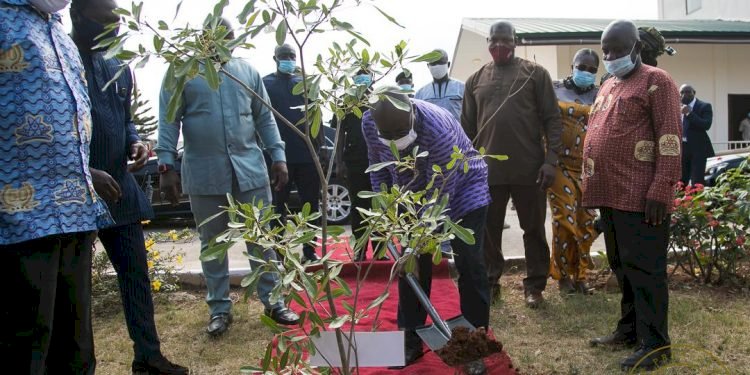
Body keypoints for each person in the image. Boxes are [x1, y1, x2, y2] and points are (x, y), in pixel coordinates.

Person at [156, 18, 299, 336]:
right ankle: (219, 309)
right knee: (213, 243)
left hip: (249, 169)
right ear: (203, 38)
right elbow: (169, 119)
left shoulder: (246, 71)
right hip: (205, 172)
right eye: (218, 37)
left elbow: (264, 116)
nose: (226, 43)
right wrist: (165, 166)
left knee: (261, 238)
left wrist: (278, 155)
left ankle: (274, 301)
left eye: (231, 37)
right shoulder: (183, 70)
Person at [70, 1, 189, 374]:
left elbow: (126, 120)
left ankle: (148, 357)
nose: (116, 28)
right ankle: (80, 365)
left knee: (135, 275)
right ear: (80, 17)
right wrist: (86, 171)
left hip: (120, 190)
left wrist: (136, 142)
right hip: (74, 193)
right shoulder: (62, 61)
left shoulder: (118, 65)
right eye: (107, 21)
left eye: (118, 22)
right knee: (76, 290)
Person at [0, 0, 114, 373]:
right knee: (26, 345)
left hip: (74, 212)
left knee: (76, 347)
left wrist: (85, 171)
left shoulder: (58, 33)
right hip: (19, 220)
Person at [363, 92, 490, 370]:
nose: (395, 140)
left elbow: (442, 193)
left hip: (462, 189)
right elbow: (378, 169)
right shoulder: (369, 122)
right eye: (389, 134)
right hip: (410, 192)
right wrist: (386, 213)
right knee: (413, 269)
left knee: (469, 262)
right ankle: (410, 341)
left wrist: (416, 240)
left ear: (412, 114)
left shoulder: (437, 129)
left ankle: (474, 345)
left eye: (400, 132)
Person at [584, 20, 681, 371]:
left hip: (642, 196)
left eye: (617, 49)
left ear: (637, 47)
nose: (610, 56)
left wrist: (662, 187)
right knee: (621, 266)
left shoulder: (658, 81)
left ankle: (655, 344)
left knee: (645, 270)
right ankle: (629, 330)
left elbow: (669, 138)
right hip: (611, 194)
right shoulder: (609, 83)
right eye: (605, 49)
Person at [461, 20, 562, 308]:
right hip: (486, 172)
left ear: (515, 42)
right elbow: (466, 129)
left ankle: (535, 286)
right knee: (488, 231)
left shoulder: (535, 74)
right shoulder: (475, 79)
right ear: (488, 42)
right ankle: (491, 282)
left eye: (505, 40)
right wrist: (467, 166)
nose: (499, 46)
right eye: (494, 40)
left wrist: (550, 161)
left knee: (533, 229)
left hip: (530, 169)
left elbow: (552, 120)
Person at [548, 48, 601, 295]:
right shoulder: (555, 89)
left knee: (585, 223)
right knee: (564, 220)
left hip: (588, 168)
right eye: (582, 67)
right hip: (559, 164)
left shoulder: (601, 94)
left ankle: (580, 276)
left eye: (592, 69)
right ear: (572, 65)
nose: (586, 72)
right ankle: (562, 275)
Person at [263, 43, 320, 263]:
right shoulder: (265, 84)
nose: (288, 59)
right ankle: (279, 252)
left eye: (292, 56)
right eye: (284, 56)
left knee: (310, 208)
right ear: (275, 58)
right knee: (277, 208)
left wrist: (320, 149)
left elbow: (316, 118)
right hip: (278, 159)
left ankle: (309, 251)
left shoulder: (306, 83)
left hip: (307, 157)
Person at [334, 69, 382, 261]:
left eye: (366, 73)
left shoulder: (381, 99)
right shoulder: (345, 101)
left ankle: (380, 251)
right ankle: (360, 251)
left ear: (372, 77)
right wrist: (339, 163)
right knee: (358, 208)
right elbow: (339, 135)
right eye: (359, 74)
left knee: (379, 208)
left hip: (379, 163)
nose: (362, 77)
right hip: (354, 162)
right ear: (353, 78)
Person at [679, 84, 714, 185]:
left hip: (698, 149)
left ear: (694, 93)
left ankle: (697, 200)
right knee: (681, 179)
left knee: (697, 180)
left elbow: (706, 125)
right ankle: (681, 200)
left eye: (688, 92)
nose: (684, 95)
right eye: (681, 92)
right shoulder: (677, 107)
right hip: (682, 148)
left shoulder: (704, 106)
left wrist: (689, 113)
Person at [415, 49, 464, 122]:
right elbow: (417, 118)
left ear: (448, 64)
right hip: (430, 133)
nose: (437, 66)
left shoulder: (462, 88)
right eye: (433, 63)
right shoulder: (420, 93)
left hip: (457, 132)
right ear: (428, 66)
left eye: (440, 62)